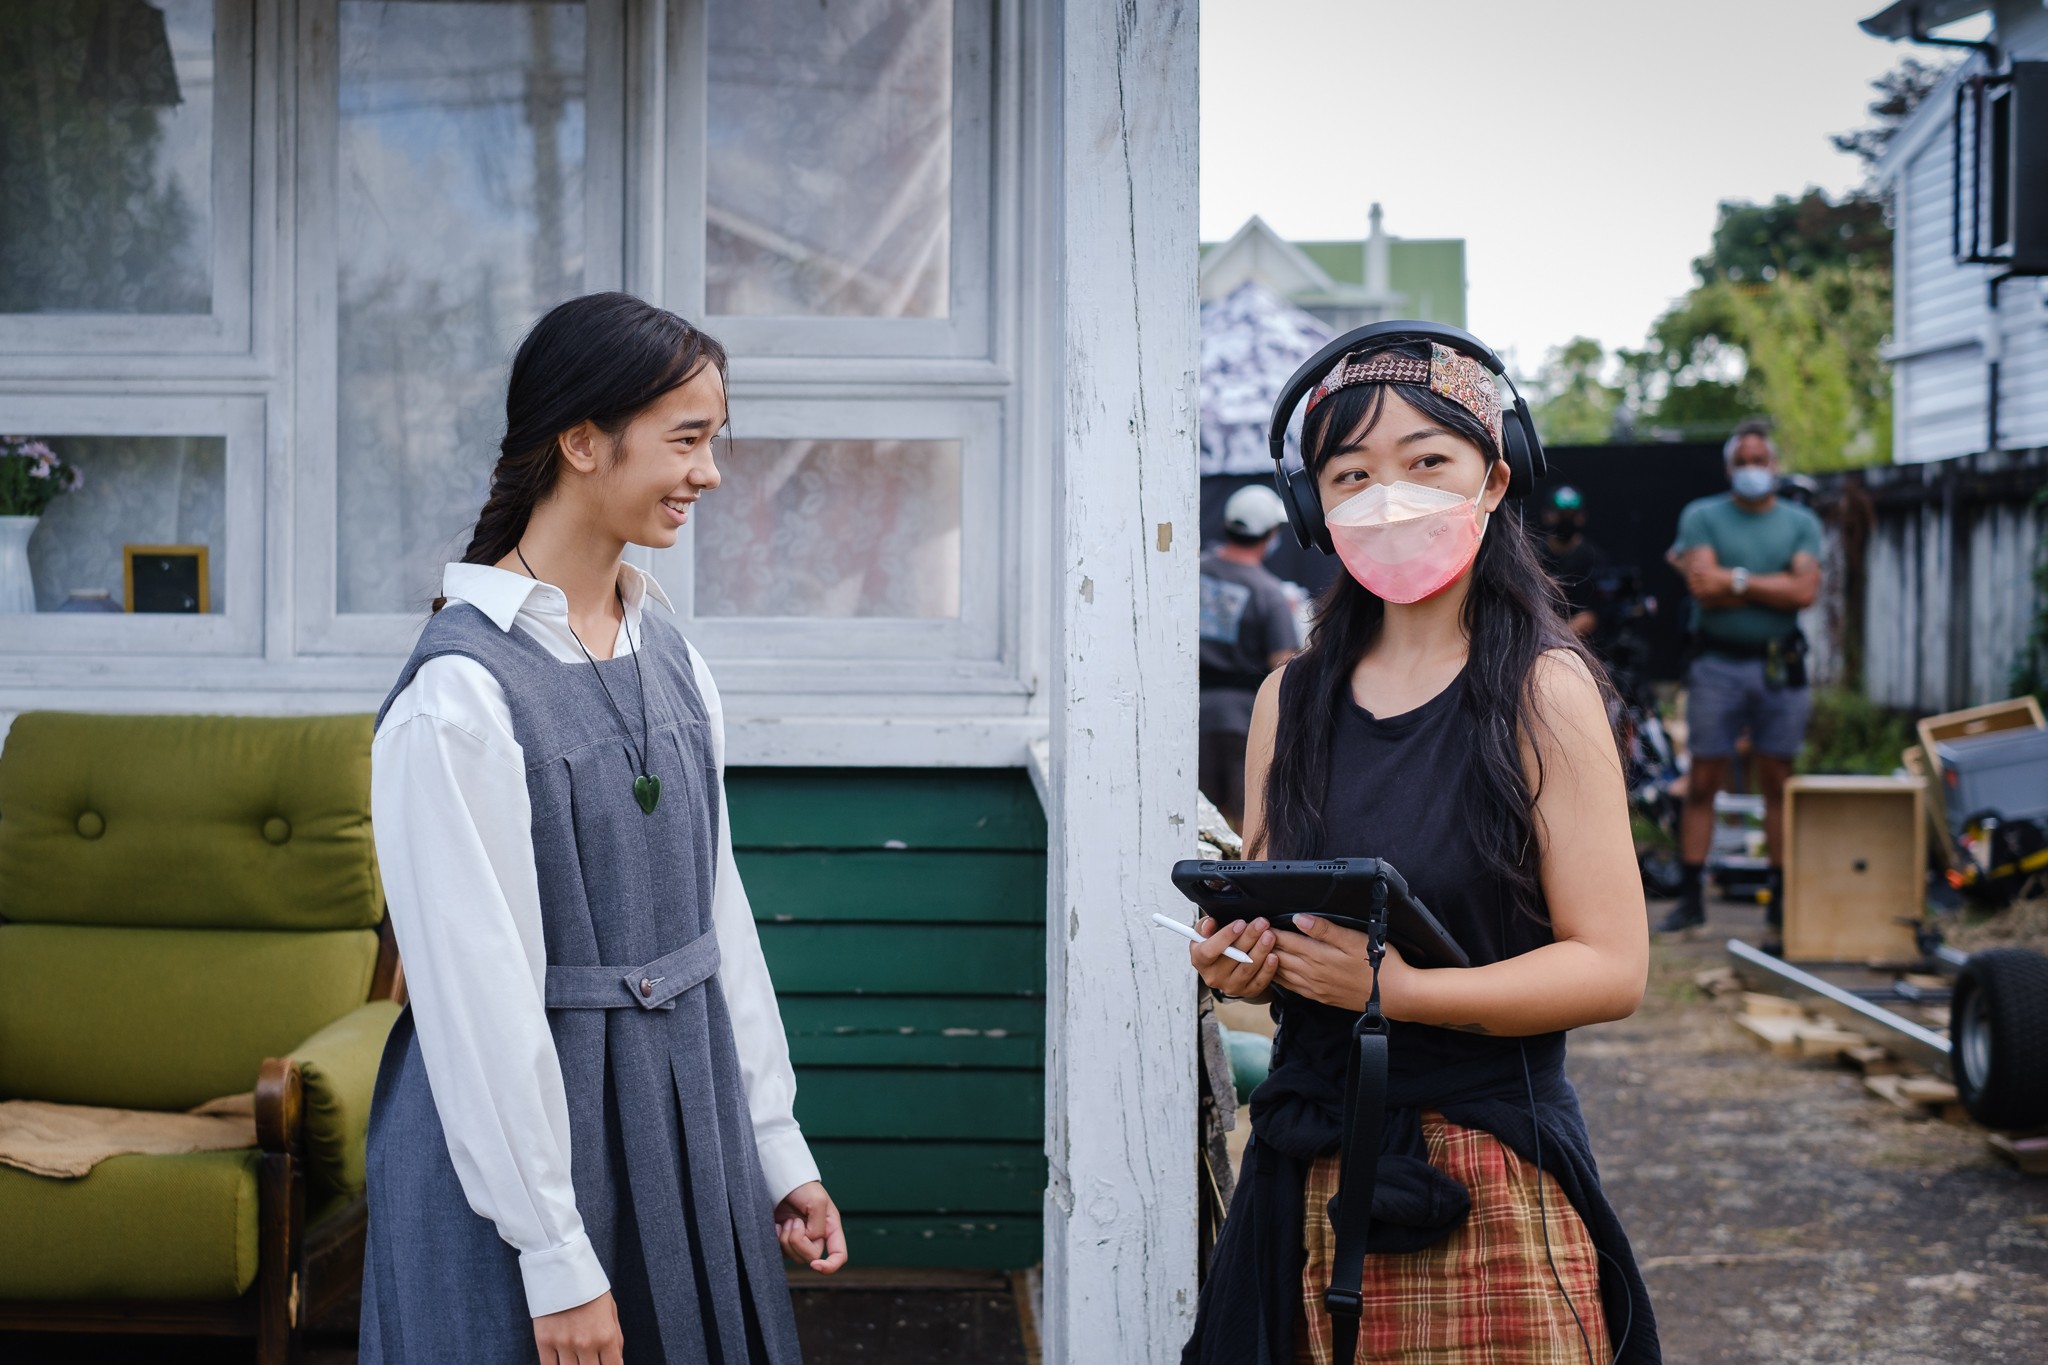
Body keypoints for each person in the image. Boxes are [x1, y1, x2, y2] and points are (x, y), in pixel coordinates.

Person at [361, 293, 847, 1365]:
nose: (708, 473)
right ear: (581, 441)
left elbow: (715, 915)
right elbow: (477, 998)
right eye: (686, 439)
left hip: (686, 1116)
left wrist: (774, 1143)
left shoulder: (666, 646)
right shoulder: (456, 700)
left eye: (710, 440)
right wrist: (552, 1252)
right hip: (526, 1159)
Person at [1181, 331, 1657, 1364]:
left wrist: (1396, 992)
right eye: (1349, 474)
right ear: (1313, 509)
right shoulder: (1287, 699)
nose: (1386, 496)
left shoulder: (1543, 692)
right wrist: (1244, 964)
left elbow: (1611, 967)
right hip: (1300, 1172)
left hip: (1480, 1174)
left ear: (1493, 479)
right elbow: (1287, 932)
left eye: (1424, 462)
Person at [1657, 420, 1822, 938]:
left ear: (1773, 466)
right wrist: (1767, 584)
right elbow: (1705, 589)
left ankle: (1780, 898)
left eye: (1761, 460)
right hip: (1717, 665)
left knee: (1778, 780)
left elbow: (1804, 593)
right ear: (1731, 468)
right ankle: (1690, 897)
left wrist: (1737, 579)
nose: (1753, 469)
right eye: (1743, 461)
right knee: (1703, 780)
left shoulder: (1800, 522)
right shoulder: (1703, 515)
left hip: (1779, 666)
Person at [1199, 484, 1303, 828]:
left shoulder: (1191, 572)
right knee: (1243, 826)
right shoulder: (1269, 593)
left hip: (1189, 717)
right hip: (1242, 724)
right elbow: (1284, 665)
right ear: (1269, 534)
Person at [1537, 484, 1609, 640]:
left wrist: (1557, 638)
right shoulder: (1532, 556)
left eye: (1571, 515)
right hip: (1536, 635)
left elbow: (1593, 613)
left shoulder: (1593, 558)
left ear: (1580, 517)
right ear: (1547, 515)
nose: (1565, 521)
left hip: (1577, 644)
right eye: (1561, 515)